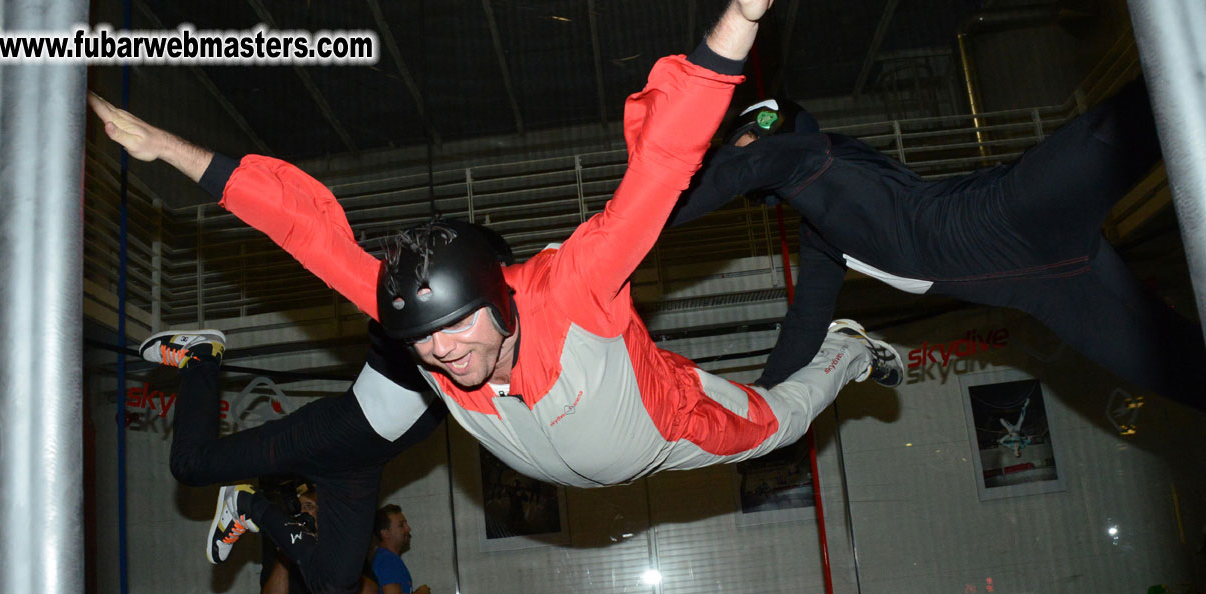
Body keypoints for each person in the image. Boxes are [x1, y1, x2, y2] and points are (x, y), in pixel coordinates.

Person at [89, 0, 904, 495]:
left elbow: (661, 164)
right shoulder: (427, 332)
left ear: (501, 301)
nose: (443, 355)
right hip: (562, 452)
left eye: (457, 330)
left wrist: (739, 24)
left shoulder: (576, 286)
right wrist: (178, 153)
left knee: (778, 425)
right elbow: (305, 228)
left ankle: (846, 352)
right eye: (424, 341)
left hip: (669, 425)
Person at [667, 90, 1206, 411]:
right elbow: (806, 322)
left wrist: (632, 222)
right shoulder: (822, 238)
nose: (736, 164)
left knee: (1151, 107)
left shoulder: (812, 156)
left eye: (745, 147)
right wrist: (761, 399)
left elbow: (745, 167)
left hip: (1010, 211)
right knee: (1181, 374)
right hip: (1052, 289)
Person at [122, 303, 445, 594]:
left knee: (334, 585)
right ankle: (200, 357)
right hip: (325, 435)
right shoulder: (428, 328)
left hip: (362, 468)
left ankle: (248, 505)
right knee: (190, 465)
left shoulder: (477, 380)